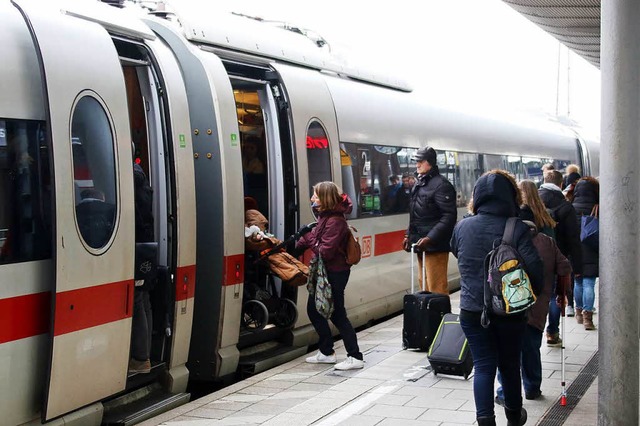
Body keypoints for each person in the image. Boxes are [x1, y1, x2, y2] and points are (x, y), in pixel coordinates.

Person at [450, 170, 543, 426]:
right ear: (512, 195)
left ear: (477, 197)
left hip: (471, 310)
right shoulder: (516, 227)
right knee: (510, 365)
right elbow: (535, 270)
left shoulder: (462, 226)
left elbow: (458, 252)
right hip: (509, 312)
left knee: (483, 366)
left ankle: (485, 420)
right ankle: (514, 416)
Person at [494, 183, 572, 404]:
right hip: (537, 309)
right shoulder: (547, 241)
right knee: (531, 349)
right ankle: (532, 388)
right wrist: (561, 292)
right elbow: (564, 267)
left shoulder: (505, 243)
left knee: (508, 353)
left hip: (509, 308)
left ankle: (504, 393)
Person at [296, 181, 364, 370]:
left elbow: (324, 252)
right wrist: (298, 241)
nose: (312, 199)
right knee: (313, 309)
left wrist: (307, 236)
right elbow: (315, 239)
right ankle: (326, 352)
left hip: (335, 273)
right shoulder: (325, 216)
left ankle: (355, 356)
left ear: (325, 199)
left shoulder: (336, 221)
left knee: (337, 314)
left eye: (315, 196)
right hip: (326, 272)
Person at [402, 147, 457, 294]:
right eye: (416, 161)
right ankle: (427, 317)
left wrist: (430, 238)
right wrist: (409, 235)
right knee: (424, 286)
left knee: (436, 288)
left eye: (420, 161)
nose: (417, 165)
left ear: (430, 162)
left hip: (435, 246)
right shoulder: (420, 183)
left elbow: (449, 216)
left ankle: (441, 316)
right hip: (421, 244)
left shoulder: (441, 185)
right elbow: (415, 214)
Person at [538, 170, 582, 339]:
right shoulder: (566, 206)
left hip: (536, 256)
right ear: (561, 184)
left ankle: (537, 329)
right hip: (559, 257)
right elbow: (573, 238)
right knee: (557, 294)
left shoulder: (534, 201)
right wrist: (577, 266)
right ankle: (552, 331)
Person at [129, 161, 155, 374]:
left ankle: (140, 358)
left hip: (137, 244)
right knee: (144, 299)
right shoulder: (140, 174)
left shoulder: (132, 176)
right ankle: (144, 356)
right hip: (145, 245)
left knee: (137, 300)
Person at [571, 177, 599, 330]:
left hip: (575, 251)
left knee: (578, 282)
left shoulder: (571, 207)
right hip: (592, 249)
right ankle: (588, 317)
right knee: (589, 283)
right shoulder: (598, 208)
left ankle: (578, 313)